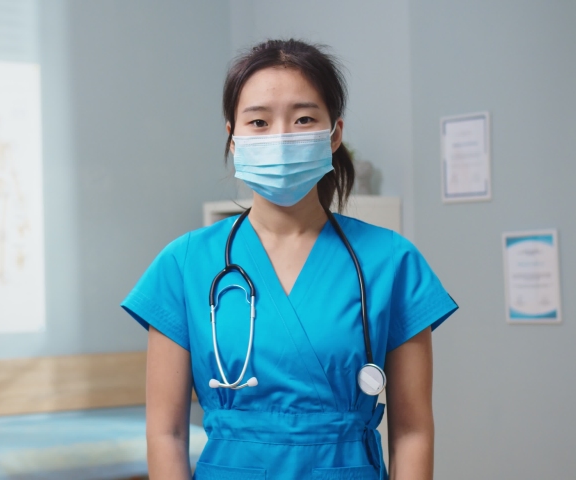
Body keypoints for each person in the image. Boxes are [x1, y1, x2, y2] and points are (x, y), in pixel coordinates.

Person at [121, 39, 457, 480]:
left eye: (303, 119)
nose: (280, 137)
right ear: (234, 137)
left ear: (334, 134)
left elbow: (412, 432)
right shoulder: (184, 264)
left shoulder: (391, 262)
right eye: (259, 121)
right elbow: (166, 434)